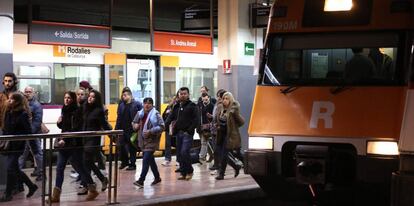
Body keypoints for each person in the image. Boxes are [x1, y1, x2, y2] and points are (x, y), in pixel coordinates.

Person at [48, 91, 99, 202]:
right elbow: (64, 126)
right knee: (60, 168)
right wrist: (59, 123)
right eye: (65, 97)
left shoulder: (77, 111)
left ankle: (92, 188)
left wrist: (64, 139)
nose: (66, 100)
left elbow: (75, 128)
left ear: (73, 99)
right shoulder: (64, 109)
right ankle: (56, 196)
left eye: (69, 98)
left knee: (79, 167)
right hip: (65, 144)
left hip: (74, 144)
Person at [0, 92, 38, 202]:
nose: (9, 100)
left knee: (10, 168)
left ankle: (8, 194)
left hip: (17, 146)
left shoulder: (23, 114)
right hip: (9, 144)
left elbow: (29, 132)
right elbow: (5, 128)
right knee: (15, 169)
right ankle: (31, 186)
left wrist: (34, 148)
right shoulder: (8, 112)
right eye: (9, 99)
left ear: (17, 102)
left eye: (12, 99)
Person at [165, 87, 199, 181]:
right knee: (179, 154)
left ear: (188, 95)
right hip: (178, 133)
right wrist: (164, 126)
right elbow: (170, 118)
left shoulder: (192, 106)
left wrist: (189, 130)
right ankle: (183, 172)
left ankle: (189, 171)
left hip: (187, 134)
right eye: (181, 94)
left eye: (185, 94)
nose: (183, 95)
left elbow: (196, 120)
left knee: (184, 152)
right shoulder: (176, 106)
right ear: (178, 95)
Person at [132, 97, 165, 187]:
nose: (147, 105)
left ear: (152, 105)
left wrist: (151, 131)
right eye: (145, 103)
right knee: (150, 160)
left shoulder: (156, 114)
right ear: (143, 104)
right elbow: (133, 123)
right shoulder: (140, 113)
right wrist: (135, 126)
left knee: (146, 159)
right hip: (142, 140)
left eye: (149, 103)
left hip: (152, 141)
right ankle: (157, 177)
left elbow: (162, 127)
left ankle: (141, 180)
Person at [82, 90, 111, 192]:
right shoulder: (85, 108)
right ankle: (102, 179)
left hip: (93, 139)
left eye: (93, 97)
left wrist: (112, 135)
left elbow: (104, 124)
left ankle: (88, 184)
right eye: (89, 96)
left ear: (96, 99)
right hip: (84, 138)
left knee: (86, 161)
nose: (90, 98)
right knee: (88, 162)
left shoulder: (99, 111)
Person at [215, 92, 245, 180]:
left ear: (230, 100)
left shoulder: (233, 110)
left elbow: (241, 122)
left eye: (227, 99)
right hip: (221, 135)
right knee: (225, 154)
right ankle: (237, 167)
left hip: (230, 136)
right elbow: (218, 120)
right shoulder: (220, 109)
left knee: (227, 155)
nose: (224, 100)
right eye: (223, 98)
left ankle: (221, 174)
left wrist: (233, 127)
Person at [18, 86, 44, 181]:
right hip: (26, 134)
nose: (27, 93)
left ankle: (41, 173)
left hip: (34, 134)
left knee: (37, 154)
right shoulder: (24, 104)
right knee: (22, 154)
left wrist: (29, 133)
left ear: (33, 93)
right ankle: (17, 172)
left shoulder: (36, 105)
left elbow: (37, 122)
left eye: (29, 92)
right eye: (26, 91)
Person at [115, 87, 142, 170]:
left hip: (132, 130)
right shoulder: (121, 105)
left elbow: (141, 115)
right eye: (123, 95)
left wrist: (138, 125)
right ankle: (124, 162)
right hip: (122, 129)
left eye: (125, 95)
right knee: (121, 146)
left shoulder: (137, 104)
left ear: (130, 96)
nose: (124, 97)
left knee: (132, 147)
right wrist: (116, 128)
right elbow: (119, 117)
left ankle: (132, 164)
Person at [209, 89, 227, 174]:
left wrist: (218, 124)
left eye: (219, 96)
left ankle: (219, 166)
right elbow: (215, 116)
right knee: (215, 148)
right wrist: (211, 116)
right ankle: (217, 165)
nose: (218, 98)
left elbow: (220, 117)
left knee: (218, 149)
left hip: (218, 129)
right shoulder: (217, 104)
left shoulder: (222, 105)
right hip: (214, 129)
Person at [161, 92, 179, 167]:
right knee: (167, 144)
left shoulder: (180, 106)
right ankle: (167, 159)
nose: (175, 99)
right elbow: (164, 115)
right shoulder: (169, 106)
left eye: (176, 98)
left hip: (177, 128)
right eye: (174, 98)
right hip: (169, 128)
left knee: (178, 144)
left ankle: (179, 160)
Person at [197, 93, 214, 162]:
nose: (205, 101)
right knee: (205, 142)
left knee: (204, 142)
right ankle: (211, 155)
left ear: (209, 98)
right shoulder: (199, 105)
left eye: (206, 99)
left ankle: (201, 157)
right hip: (200, 127)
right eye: (204, 99)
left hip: (208, 127)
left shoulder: (212, 106)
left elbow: (214, 117)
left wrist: (211, 116)